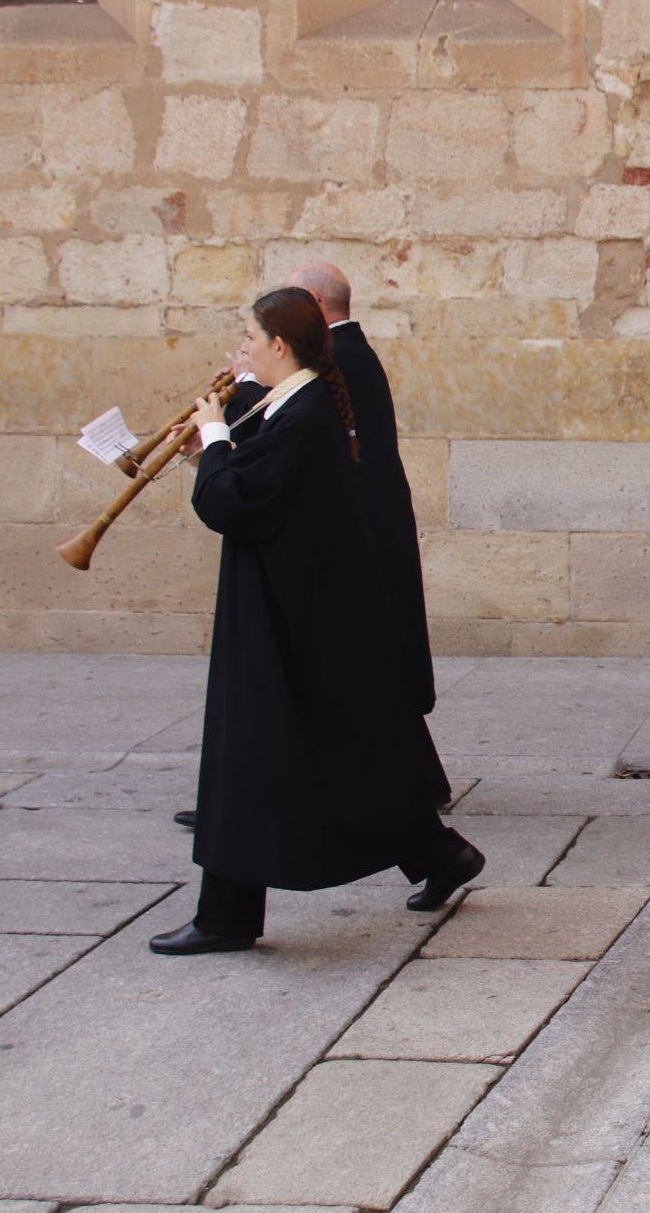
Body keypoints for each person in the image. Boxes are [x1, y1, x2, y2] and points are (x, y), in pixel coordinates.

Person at [152, 288, 485, 955]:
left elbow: (233, 503)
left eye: (248, 337)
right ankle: (437, 855)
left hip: (290, 623)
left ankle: (226, 918)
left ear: (280, 345)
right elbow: (252, 484)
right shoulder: (294, 406)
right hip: (299, 615)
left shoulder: (304, 416)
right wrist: (209, 449)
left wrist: (214, 436)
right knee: (346, 756)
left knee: (250, 758)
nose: (240, 349)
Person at [286, 262, 450, 805]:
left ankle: (406, 796)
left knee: (368, 670)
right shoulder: (345, 353)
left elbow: (298, 444)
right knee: (369, 671)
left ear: (312, 301)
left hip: (356, 536)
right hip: (360, 531)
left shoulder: (338, 359)